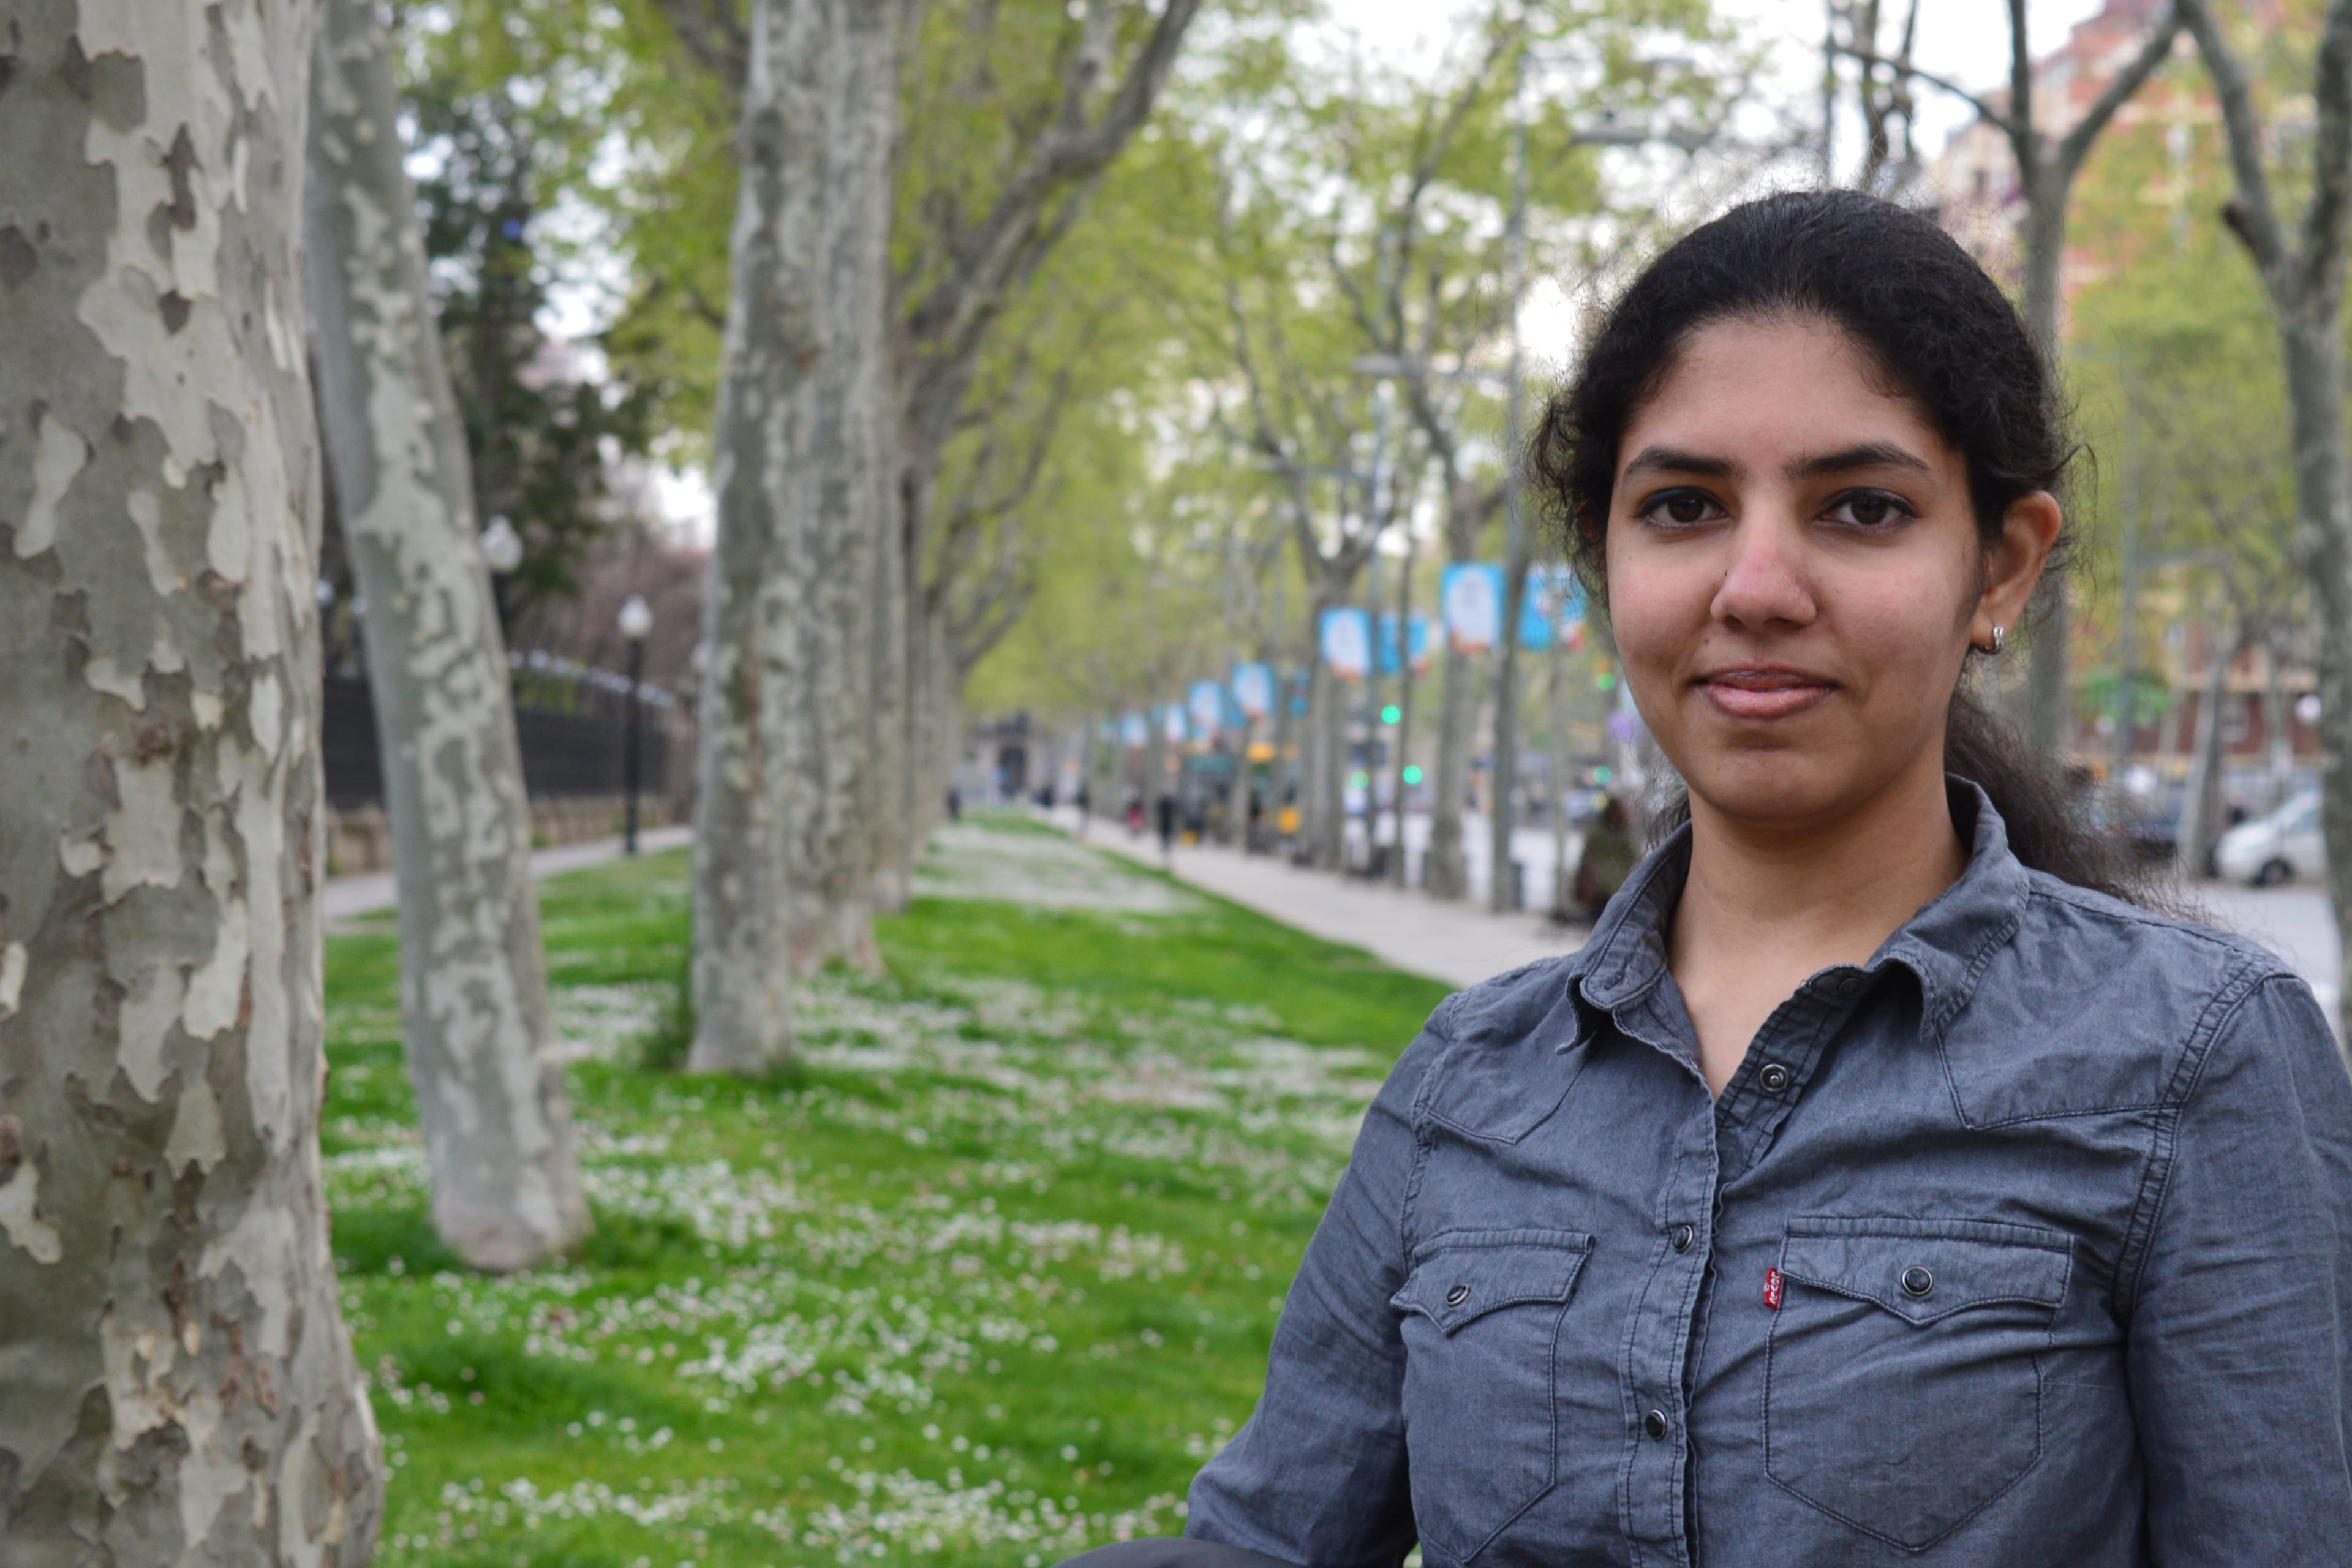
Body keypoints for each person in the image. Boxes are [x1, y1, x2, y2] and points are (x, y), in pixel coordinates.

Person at [1065, 190, 2352, 1567]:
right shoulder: (1469, 1079)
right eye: (1681, 506)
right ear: (1607, 564)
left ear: (2002, 567)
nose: (1756, 584)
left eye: (1861, 508)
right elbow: (1263, 1541)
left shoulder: (2196, 1054)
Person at [1568, 792, 1638, 922]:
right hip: (1599, 886)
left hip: (1615, 886)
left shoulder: (1624, 836)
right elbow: (1586, 857)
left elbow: (1632, 858)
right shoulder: (1599, 834)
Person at [1156, 788, 1178, 869]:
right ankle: (1166, 846)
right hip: (1167, 821)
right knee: (1166, 834)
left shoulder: (1164, 802)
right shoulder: (1169, 802)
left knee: (1165, 834)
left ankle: (1165, 846)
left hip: (1165, 821)